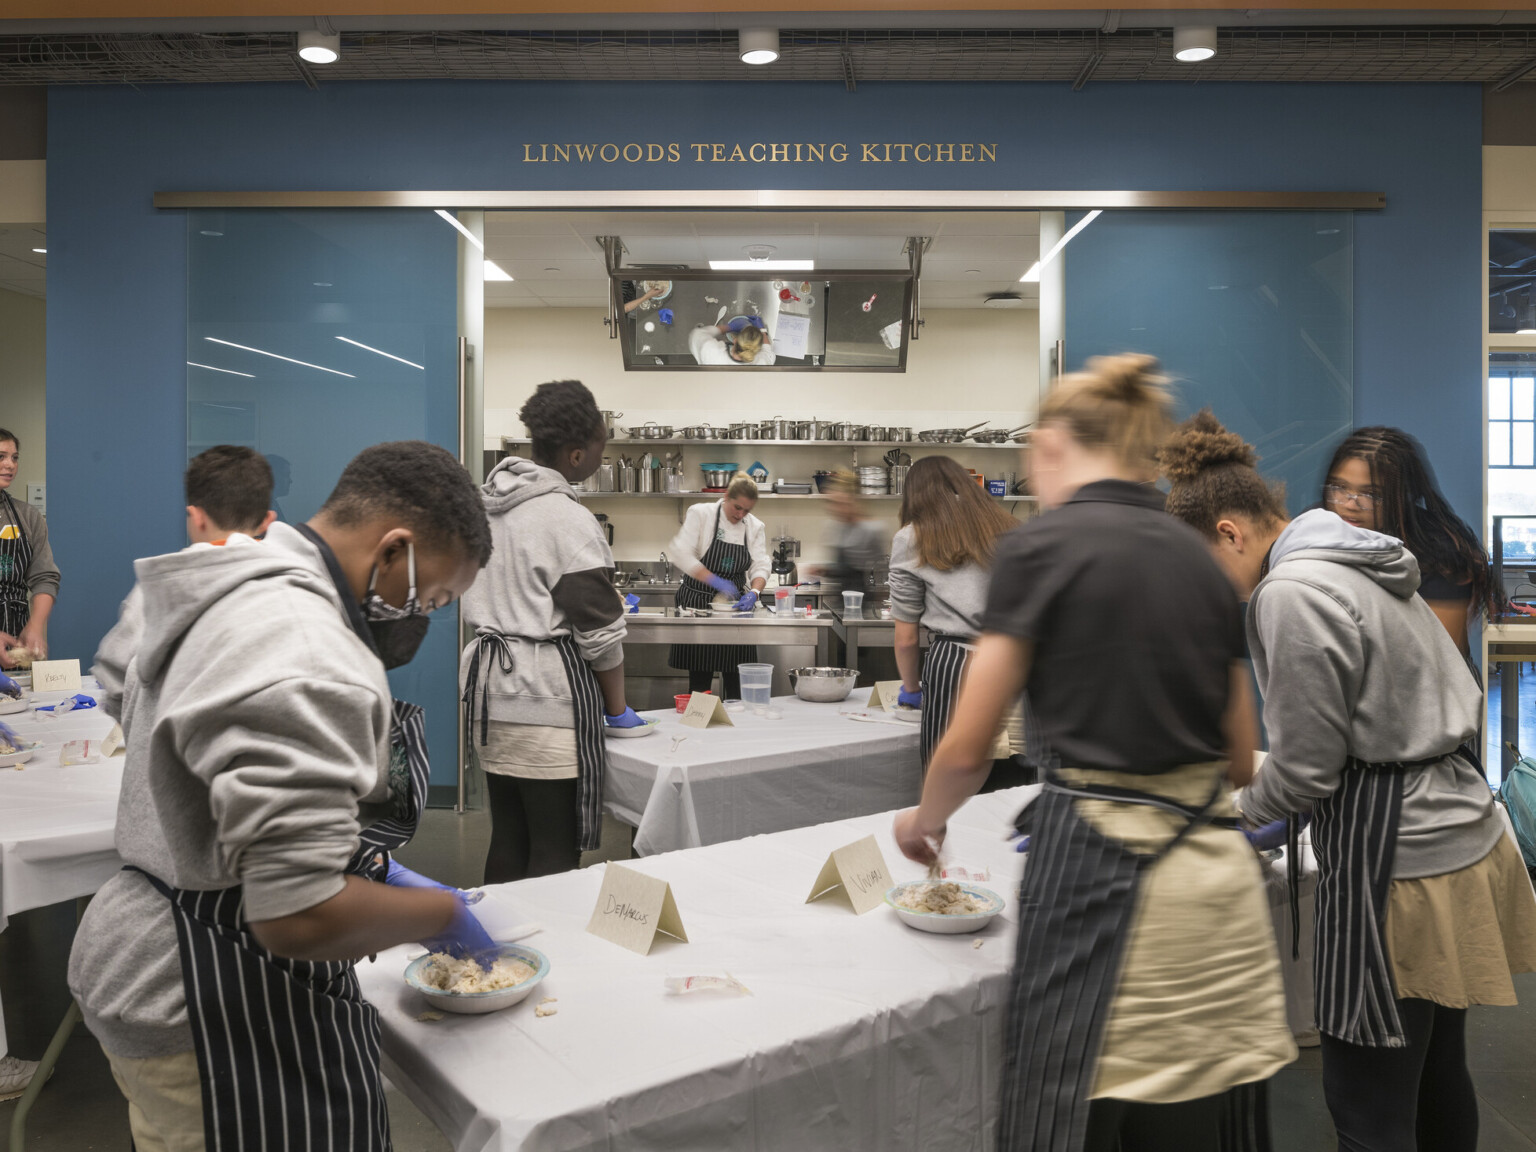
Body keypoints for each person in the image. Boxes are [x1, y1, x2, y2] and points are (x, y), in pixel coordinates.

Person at [895, 357, 1295, 1152]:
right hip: (1214, 892)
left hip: (1100, 886)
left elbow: (971, 745)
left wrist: (926, 817)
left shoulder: (1040, 549)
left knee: (1072, 1117)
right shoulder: (1199, 558)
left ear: (1051, 446)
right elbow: (1242, 757)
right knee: (1194, 1128)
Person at [70, 440, 496, 1151]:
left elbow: (151, 725)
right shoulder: (308, 647)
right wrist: (440, 912)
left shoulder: (217, 574)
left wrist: (351, 857)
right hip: (207, 991)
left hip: (138, 942)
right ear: (393, 549)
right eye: (434, 596)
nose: (427, 616)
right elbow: (296, 915)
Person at [1162, 409, 1536, 1152]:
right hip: (1462, 831)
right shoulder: (1359, 560)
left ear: (1230, 534)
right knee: (1435, 1075)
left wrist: (1234, 815)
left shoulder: (1291, 592)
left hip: (1400, 864)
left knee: (1366, 1101)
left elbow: (1306, 768)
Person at [460, 380, 642, 885]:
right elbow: (602, 633)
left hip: (491, 698)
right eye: (602, 450)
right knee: (553, 851)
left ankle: (499, 955)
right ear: (577, 453)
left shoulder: (487, 506)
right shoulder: (565, 517)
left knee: (509, 838)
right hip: (544, 700)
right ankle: (546, 957)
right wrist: (617, 709)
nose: (601, 461)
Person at [94, 445, 277, 718]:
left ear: (196, 516)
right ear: (267, 521)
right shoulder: (290, 584)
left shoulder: (160, 587)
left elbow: (114, 676)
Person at [887, 456, 1021, 778]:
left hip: (957, 663)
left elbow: (906, 638)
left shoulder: (912, 537)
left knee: (950, 781)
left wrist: (911, 689)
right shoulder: (1009, 528)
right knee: (1011, 784)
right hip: (1014, 660)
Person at [1322, 426, 1499, 661]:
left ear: (1402, 498)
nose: (1349, 504)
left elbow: (1438, 661)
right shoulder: (1318, 526)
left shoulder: (1440, 553)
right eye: (1340, 487)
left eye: (1371, 494)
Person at [668, 474, 769, 698]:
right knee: (700, 683)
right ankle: (699, 726)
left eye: (747, 511)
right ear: (726, 497)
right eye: (737, 507)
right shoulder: (701, 513)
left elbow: (761, 564)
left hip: (735, 609)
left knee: (736, 680)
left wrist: (754, 591)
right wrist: (714, 580)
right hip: (698, 603)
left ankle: (736, 727)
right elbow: (680, 553)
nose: (740, 514)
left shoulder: (755, 526)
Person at [0, 428, 59, 669]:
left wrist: (35, 626)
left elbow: (45, 576)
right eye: (1, 456)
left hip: (15, 643)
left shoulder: (27, 516)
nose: (10, 465)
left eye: (14, 458)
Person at [799, 470, 885, 597]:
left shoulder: (871, 529)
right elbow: (841, 568)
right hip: (840, 600)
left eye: (840, 503)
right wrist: (823, 570)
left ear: (853, 501)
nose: (835, 508)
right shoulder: (837, 527)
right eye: (833, 503)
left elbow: (878, 572)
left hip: (862, 601)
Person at [688, 316, 776, 365]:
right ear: (756, 351)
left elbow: (697, 334)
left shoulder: (712, 352)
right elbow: (767, 352)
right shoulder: (761, 363)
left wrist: (728, 327)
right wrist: (762, 330)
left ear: (735, 340)